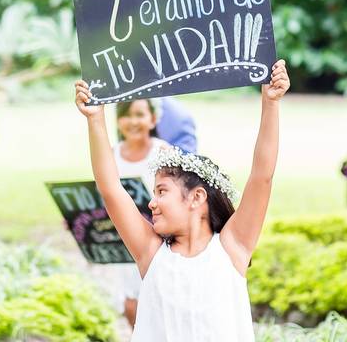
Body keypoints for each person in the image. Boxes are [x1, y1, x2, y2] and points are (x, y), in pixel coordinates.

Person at [73, 60, 290, 341]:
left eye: (161, 191)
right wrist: (95, 119)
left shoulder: (232, 248)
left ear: (196, 197)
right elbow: (111, 188)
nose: (151, 203)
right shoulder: (150, 253)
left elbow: (262, 176)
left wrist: (271, 104)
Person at [112, 99, 171, 327]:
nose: (133, 121)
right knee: (131, 303)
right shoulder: (112, 154)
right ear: (118, 121)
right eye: (127, 115)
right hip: (124, 242)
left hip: (159, 240)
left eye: (140, 114)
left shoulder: (162, 151)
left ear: (153, 119)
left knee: (159, 300)